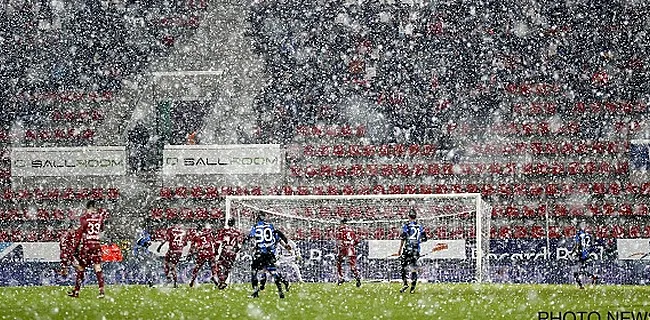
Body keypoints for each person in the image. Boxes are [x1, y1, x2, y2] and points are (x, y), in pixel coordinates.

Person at [68, 200, 107, 298]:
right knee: (97, 267)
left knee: (81, 268)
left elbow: (81, 233)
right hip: (96, 244)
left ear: (87, 208)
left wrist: (75, 248)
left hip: (87, 245)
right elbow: (102, 229)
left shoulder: (84, 218)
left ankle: (76, 291)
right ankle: (101, 291)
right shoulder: (100, 217)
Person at [248, 212, 290, 298]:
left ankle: (256, 291)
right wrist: (285, 245)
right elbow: (277, 236)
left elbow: (252, 238)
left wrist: (254, 247)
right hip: (270, 253)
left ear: (257, 218)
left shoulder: (255, 227)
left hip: (261, 252)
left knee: (254, 271)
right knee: (273, 272)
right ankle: (281, 290)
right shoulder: (271, 226)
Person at [397, 209, 427, 293]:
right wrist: (417, 241)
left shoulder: (406, 226)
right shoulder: (420, 226)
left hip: (407, 249)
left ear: (408, 216)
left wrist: (399, 249)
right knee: (414, 268)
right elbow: (424, 239)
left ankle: (405, 283)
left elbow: (403, 237)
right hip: (415, 250)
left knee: (403, 267)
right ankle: (412, 288)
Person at [214, 218, 245, 289]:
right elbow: (239, 245)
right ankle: (223, 281)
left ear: (227, 223)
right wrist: (235, 252)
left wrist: (216, 251)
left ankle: (221, 280)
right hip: (232, 252)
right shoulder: (238, 232)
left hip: (225, 251)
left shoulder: (224, 231)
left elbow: (218, 242)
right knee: (228, 268)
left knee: (219, 265)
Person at [157, 223, 187, 288]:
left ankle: (169, 278)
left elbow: (165, 239)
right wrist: (179, 247)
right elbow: (185, 243)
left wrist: (159, 247)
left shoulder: (171, 230)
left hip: (171, 250)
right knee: (172, 266)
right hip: (178, 251)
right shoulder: (183, 232)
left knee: (167, 263)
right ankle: (175, 282)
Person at [188, 224, 219, 288]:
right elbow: (215, 242)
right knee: (213, 265)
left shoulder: (196, 235)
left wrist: (190, 253)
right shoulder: (209, 233)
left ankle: (192, 281)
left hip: (201, 253)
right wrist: (216, 252)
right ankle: (214, 276)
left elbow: (192, 246)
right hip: (209, 252)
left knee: (197, 267)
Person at [571, 221, 598, 289]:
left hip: (581, 255)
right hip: (586, 254)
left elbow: (577, 245)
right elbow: (591, 244)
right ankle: (592, 278)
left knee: (577, 272)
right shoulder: (587, 235)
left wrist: (572, 252)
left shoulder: (579, 235)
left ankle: (583, 284)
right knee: (582, 271)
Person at [336, 218, 361, 287]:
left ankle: (341, 278)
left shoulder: (340, 230)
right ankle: (357, 276)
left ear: (341, 223)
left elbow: (339, 241)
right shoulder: (351, 230)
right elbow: (356, 241)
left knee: (339, 262)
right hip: (351, 248)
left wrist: (340, 247)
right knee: (352, 264)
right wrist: (352, 245)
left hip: (343, 248)